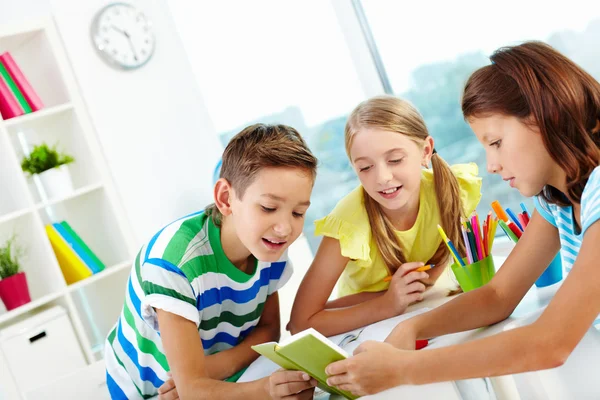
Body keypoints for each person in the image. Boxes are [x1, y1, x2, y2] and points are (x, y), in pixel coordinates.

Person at [324, 41, 600, 397]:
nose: (492, 164)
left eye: (496, 142)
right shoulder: (558, 201)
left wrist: (403, 370)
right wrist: (414, 327)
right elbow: (499, 295)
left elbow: (550, 343)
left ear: (547, 115)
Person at [104, 124, 319, 399]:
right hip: (149, 391)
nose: (285, 228)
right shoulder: (174, 263)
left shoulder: (269, 245)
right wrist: (265, 390)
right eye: (268, 208)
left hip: (216, 377)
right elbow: (191, 391)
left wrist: (209, 371)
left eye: (298, 213)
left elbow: (268, 330)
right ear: (226, 199)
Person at [288, 95, 482, 337]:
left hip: (425, 309)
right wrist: (387, 303)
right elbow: (299, 323)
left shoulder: (453, 189)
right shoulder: (349, 224)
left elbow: (465, 259)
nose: (382, 178)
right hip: (364, 329)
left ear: (425, 151)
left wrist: (419, 288)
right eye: (365, 168)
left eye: (395, 160)